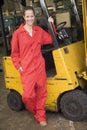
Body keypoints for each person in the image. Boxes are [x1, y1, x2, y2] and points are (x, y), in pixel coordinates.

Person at [11, 6, 54, 126]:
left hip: (39, 66)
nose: (30, 18)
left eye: (32, 16)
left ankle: (41, 116)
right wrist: (18, 66)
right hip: (27, 68)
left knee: (42, 92)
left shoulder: (38, 31)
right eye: (27, 16)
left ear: (34, 17)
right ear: (24, 17)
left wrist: (51, 25)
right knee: (28, 96)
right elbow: (14, 53)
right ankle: (35, 111)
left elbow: (50, 39)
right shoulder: (17, 34)